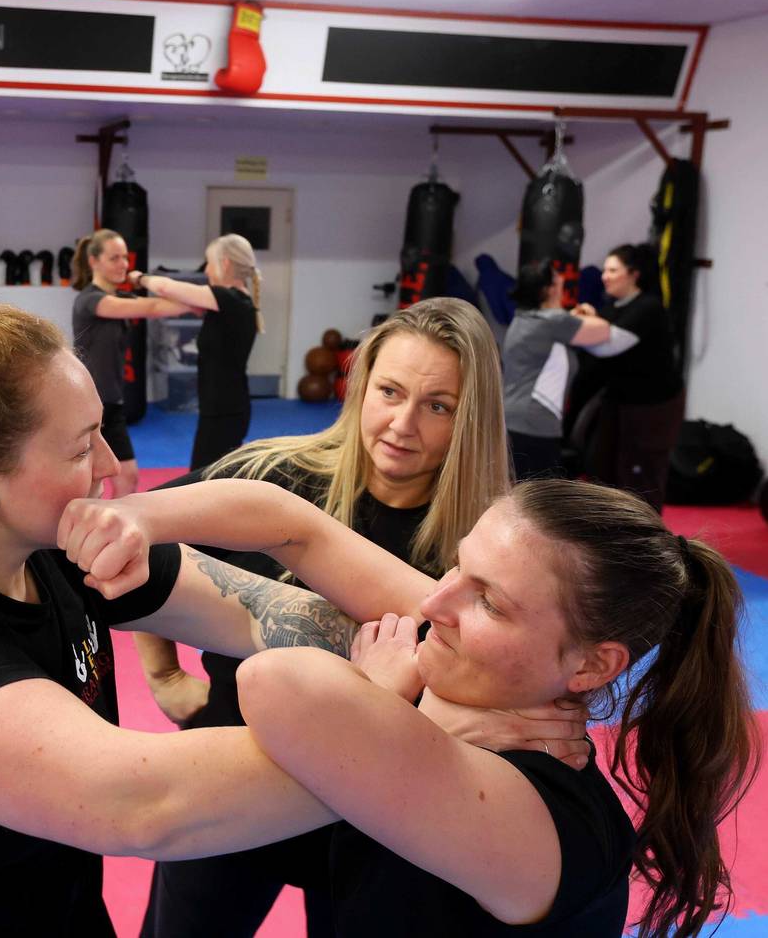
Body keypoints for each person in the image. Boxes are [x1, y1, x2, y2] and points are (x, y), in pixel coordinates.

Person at [0, 287, 584, 936]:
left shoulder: (57, 553)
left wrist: (514, 667)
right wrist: (421, 735)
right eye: (83, 447)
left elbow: (277, 613)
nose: (117, 469)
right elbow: (149, 805)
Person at [61, 474, 760, 938]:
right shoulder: (477, 669)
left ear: (591, 664)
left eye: (486, 598)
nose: (432, 600)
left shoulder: (545, 819)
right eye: (458, 566)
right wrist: (123, 517)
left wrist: (384, 700)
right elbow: (289, 524)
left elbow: (277, 684)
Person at [134, 297, 513, 937]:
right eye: (389, 391)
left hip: (377, 806)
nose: (402, 423)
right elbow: (142, 541)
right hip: (236, 765)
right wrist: (165, 675)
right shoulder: (271, 478)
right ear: (361, 386)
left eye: (438, 406)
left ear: (470, 420)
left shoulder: (485, 540)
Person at [72, 229, 214, 495]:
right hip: (91, 405)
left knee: (117, 479)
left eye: (126, 258)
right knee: (112, 479)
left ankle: (103, 530)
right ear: (94, 262)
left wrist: (202, 303)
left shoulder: (119, 298)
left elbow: (160, 306)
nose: (124, 264)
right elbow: (150, 308)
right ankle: (98, 531)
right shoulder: (90, 300)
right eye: (114, 258)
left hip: (110, 403)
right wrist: (148, 280)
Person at [130, 233, 264, 469]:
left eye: (209, 263)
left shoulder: (227, 298)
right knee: (211, 478)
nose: (207, 271)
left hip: (224, 411)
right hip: (223, 406)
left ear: (224, 264)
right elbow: (176, 302)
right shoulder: (232, 302)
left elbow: (163, 286)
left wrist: (139, 277)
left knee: (205, 479)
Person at [503, 260, 637, 480]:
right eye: (559, 283)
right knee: (540, 502)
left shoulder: (524, 318)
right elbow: (603, 330)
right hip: (535, 423)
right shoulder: (555, 322)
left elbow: (558, 324)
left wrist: (572, 317)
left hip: (513, 421)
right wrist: (589, 315)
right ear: (550, 289)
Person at [578, 243, 685, 512]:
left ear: (633, 274)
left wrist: (567, 327)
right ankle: (613, 538)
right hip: (621, 401)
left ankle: (648, 543)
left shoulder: (648, 308)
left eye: (613, 270)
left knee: (641, 477)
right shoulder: (614, 307)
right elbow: (604, 331)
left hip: (652, 407)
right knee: (606, 469)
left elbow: (608, 346)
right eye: (604, 270)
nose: (605, 276)